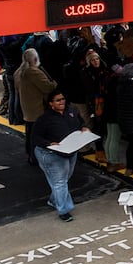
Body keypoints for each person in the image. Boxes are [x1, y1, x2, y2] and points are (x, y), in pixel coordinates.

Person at [31, 91, 90, 221]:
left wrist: (84, 128)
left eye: (62, 99)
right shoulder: (44, 119)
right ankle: (64, 210)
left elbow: (80, 123)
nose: (61, 102)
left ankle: (54, 200)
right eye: (57, 100)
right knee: (60, 182)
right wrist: (49, 143)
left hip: (70, 151)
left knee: (64, 179)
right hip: (51, 154)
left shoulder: (72, 111)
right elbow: (35, 137)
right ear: (51, 104)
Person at [16, 48, 57, 166]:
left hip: (27, 108)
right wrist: (54, 82)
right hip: (36, 108)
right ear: (35, 59)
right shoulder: (34, 72)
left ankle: (30, 155)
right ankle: (35, 157)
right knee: (37, 135)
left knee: (30, 133)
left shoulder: (21, 71)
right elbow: (48, 87)